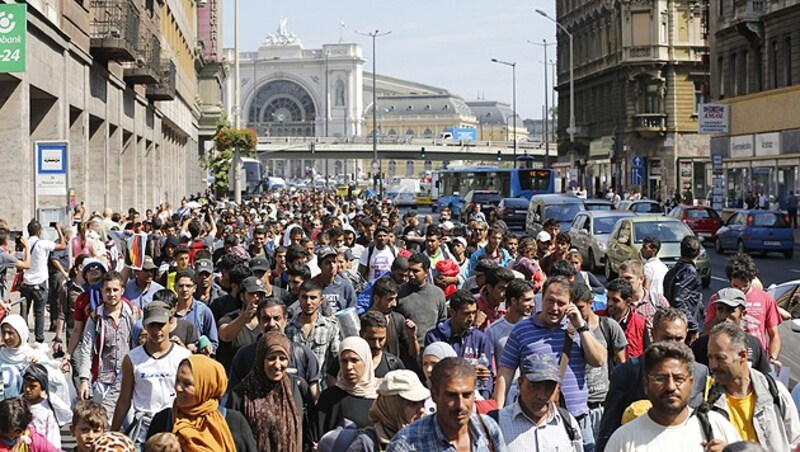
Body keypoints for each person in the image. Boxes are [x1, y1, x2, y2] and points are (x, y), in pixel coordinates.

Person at [495, 276, 607, 451]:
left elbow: (599, 360)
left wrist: (581, 326)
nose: (554, 308)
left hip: (576, 417)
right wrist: (498, 412)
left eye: (561, 303)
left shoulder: (578, 328)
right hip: (532, 417)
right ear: (541, 298)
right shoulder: (522, 329)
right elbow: (506, 372)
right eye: (550, 301)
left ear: (570, 304)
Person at [596, 308, 711, 451]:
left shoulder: (701, 372)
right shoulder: (628, 372)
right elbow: (608, 428)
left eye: (679, 339)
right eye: (667, 338)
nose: (673, 345)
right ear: (653, 334)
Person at [604, 341, 740, 451]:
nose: (670, 387)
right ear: (646, 383)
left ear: (691, 383)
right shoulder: (623, 440)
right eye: (660, 379)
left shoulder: (718, 427)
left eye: (679, 378)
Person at [706, 322, 800, 450]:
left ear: (742, 355)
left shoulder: (775, 392)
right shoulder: (708, 401)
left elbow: (795, 442)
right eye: (710, 357)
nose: (713, 365)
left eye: (720, 358)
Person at [111, 300, 192, 444]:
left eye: (161, 325)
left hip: (174, 427)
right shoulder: (132, 359)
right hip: (143, 430)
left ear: (171, 323)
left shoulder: (184, 357)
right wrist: (113, 433)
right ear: (144, 325)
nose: (156, 331)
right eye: (151, 325)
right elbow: (124, 400)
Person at [386, 357, 506, 451]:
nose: (460, 405)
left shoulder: (488, 429)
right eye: (451, 395)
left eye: (466, 395)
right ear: (434, 395)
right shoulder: (407, 444)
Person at [147, 355, 256, 452]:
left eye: (187, 383)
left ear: (207, 387)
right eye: (177, 380)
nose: (178, 388)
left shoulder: (232, 421)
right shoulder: (164, 420)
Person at [228, 332, 314, 452]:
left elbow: (307, 432)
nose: (277, 365)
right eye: (271, 358)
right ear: (260, 359)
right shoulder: (241, 394)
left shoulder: (297, 388)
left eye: (283, 358)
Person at [228, 298, 321, 398]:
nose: (272, 324)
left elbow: (313, 397)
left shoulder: (302, 353)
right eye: (266, 319)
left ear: (285, 320)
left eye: (276, 318)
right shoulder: (244, 355)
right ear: (259, 321)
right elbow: (234, 396)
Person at [703, 254, 782, 370]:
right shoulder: (717, 300)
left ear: (752, 281)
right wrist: (723, 313)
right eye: (735, 286)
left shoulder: (766, 299)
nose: (740, 290)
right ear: (730, 280)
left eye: (744, 286)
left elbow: (774, 335)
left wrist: (772, 357)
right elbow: (706, 332)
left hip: (755, 360)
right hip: (726, 358)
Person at [493, 354, 584, 452]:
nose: (541, 396)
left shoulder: (568, 423)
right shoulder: (498, 423)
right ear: (520, 383)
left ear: (557, 388)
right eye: (535, 386)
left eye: (549, 387)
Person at [571, 284, 627, 439]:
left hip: (603, 402)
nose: (577, 313)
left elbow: (622, 363)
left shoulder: (608, 326)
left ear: (591, 303)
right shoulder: (568, 330)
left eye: (580, 307)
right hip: (577, 405)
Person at [424, 290, 494, 400]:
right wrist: (469, 371)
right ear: (452, 312)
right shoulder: (435, 337)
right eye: (466, 313)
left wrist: (484, 399)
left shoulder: (480, 338)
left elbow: (487, 375)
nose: (471, 318)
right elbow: (434, 372)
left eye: (473, 312)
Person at [691, 288, 770, 375]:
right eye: (720, 309)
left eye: (730, 310)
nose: (724, 316)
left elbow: (764, 379)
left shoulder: (754, 344)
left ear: (743, 314)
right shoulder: (700, 345)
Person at [347, 370, 429, 452]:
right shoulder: (367, 443)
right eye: (413, 403)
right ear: (392, 407)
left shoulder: (430, 436)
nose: (421, 409)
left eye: (423, 402)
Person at [315, 336, 379, 432]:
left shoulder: (379, 398)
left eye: (354, 360)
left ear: (366, 361)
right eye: (344, 361)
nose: (349, 367)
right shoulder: (329, 398)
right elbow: (314, 439)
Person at [284, 280, 341, 385]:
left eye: (313, 298)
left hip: (321, 388)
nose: (308, 302)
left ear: (321, 300)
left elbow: (336, 359)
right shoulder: (287, 328)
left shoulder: (330, 327)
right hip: (294, 388)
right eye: (304, 297)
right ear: (299, 299)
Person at [0, 315, 68, 402]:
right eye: (4, 332)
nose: (6, 337)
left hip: (28, 412)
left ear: (21, 333)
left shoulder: (34, 355)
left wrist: (37, 369)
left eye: (10, 333)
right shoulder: (1, 354)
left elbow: (58, 380)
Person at [326, 312, 404, 386]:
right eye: (371, 339)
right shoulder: (344, 360)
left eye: (381, 339)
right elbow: (332, 380)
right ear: (361, 334)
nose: (377, 345)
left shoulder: (393, 364)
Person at [22, 220, 66, 343]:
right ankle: (39, 338)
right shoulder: (43, 244)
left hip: (26, 283)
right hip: (40, 283)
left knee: (24, 312)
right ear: (39, 231)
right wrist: (59, 231)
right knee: (39, 312)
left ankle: (24, 337)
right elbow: (62, 245)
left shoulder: (24, 244)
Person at [395, 252, 447, 348]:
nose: (410, 274)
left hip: (430, 349)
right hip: (405, 350)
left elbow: (442, 321)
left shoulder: (437, 294)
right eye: (409, 270)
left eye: (415, 271)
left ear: (426, 272)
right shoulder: (399, 292)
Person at [217, 275, 265, 371]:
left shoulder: (266, 320)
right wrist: (245, 316)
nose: (256, 298)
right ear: (242, 296)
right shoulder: (229, 318)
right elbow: (225, 336)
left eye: (260, 294)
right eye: (252, 294)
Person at [597, 279, 649, 358]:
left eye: (615, 300)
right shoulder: (597, 318)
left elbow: (647, 352)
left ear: (628, 301)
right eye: (608, 298)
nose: (609, 303)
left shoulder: (640, 323)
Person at [663, 235, 704, 336]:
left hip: (676, 321)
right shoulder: (689, 272)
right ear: (698, 253)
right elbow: (679, 300)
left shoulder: (673, 270)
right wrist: (693, 326)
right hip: (685, 326)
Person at [21, 364, 68, 449]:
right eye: (25, 385)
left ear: (42, 386)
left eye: (33, 386)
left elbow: (68, 415)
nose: (27, 389)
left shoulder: (48, 407)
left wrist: (50, 397)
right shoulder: (17, 404)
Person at [172, 269, 218, 351]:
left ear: (195, 288)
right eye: (181, 286)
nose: (184, 289)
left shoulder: (203, 311)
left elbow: (213, 343)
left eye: (188, 286)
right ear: (174, 287)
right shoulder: (169, 310)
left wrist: (201, 349)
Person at [618, 259, 669, 331]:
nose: (623, 282)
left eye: (628, 278)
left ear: (641, 279)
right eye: (621, 279)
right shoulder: (618, 302)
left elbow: (669, 325)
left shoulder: (656, 300)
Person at [313, 247, 357, 314]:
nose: (332, 266)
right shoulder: (313, 285)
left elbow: (352, 309)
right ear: (319, 265)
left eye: (334, 262)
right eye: (327, 263)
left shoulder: (345, 285)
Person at [420, 342, 458, 414]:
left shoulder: (466, 393)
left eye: (434, 363)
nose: (428, 369)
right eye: (425, 364)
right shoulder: (419, 396)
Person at [475, 267, 514, 331]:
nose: (505, 293)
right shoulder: (474, 305)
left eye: (508, 289)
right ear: (489, 288)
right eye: (501, 288)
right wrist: (475, 325)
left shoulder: (511, 306)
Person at [641, 236, 669, 304]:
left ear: (654, 250)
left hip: (652, 303)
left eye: (645, 247)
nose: (642, 250)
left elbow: (646, 288)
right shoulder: (663, 267)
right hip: (663, 303)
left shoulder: (648, 267)